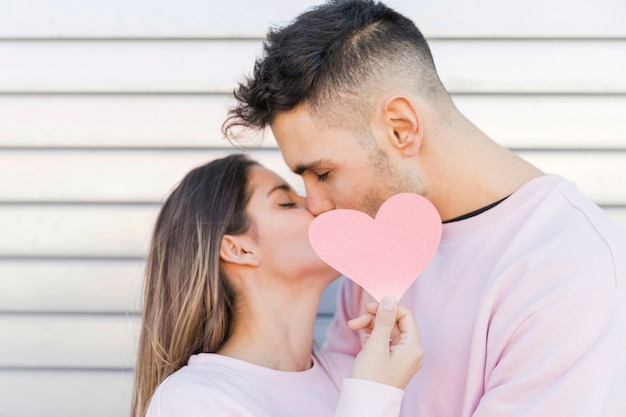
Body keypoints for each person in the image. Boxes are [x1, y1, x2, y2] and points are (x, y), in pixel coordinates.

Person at [222, 1, 626, 416]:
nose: (317, 207)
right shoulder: (375, 253)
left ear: (401, 128)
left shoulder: (576, 280)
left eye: (322, 173)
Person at [130, 153, 423, 417]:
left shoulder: (352, 374)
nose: (319, 205)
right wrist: (372, 397)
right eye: (287, 203)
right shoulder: (193, 401)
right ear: (238, 250)